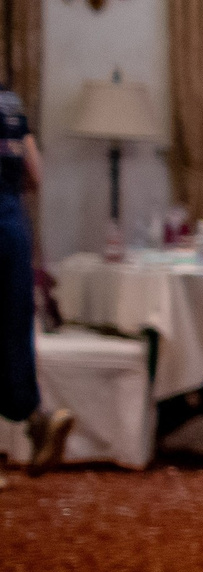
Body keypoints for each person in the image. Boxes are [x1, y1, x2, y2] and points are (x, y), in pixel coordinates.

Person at [0, 81, 73, 480]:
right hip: (12, 224)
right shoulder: (10, 101)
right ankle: (37, 420)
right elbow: (36, 173)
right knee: (13, 330)